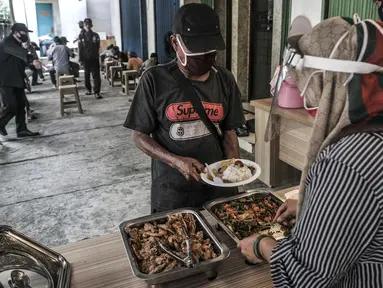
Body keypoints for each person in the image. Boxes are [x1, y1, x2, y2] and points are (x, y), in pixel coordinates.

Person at [238, 16, 383, 287]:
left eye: (307, 85)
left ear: (328, 83)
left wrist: (263, 246)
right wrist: (311, 206)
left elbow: (308, 279)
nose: (305, 97)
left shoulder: (347, 163)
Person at [124, 4, 245, 213]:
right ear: (175, 43)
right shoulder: (154, 80)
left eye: (210, 52)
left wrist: (233, 180)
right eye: (196, 51)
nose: (204, 58)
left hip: (217, 189)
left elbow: (229, 133)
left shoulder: (224, 79)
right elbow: (139, 136)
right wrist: (176, 161)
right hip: (172, 191)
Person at [0, 23, 40, 137]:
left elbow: (19, 62)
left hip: (16, 79)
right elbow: (22, 54)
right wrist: (33, 60)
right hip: (5, 80)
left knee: (21, 105)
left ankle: (21, 129)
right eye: (24, 33)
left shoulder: (17, 43)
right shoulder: (7, 43)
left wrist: (24, 77)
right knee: (10, 106)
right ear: (15, 33)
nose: (26, 35)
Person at [78, 18, 102, 99]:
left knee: (96, 75)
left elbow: (98, 46)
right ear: (84, 26)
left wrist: (95, 53)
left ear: (91, 25)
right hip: (85, 59)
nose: (87, 26)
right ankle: (88, 89)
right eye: (86, 24)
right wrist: (80, 59)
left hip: (94, 58)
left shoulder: (96, 35)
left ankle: (97, 92)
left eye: (89, 24)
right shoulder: (81, 36)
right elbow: (80, 48)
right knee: (86, 75)